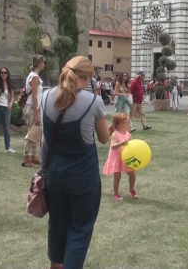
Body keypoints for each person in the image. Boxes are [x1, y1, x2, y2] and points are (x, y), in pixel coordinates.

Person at [40, 56, 109, 268]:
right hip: (83, 177)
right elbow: (104, 138)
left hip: (54, 175)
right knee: (80, 230)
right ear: (87, 77)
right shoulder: (93, 101)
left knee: (57, 226)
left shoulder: (44, 97)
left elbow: (45, 138)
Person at [103, 113, 137, 201]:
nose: (129, 123)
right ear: (121, 124)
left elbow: (130, 146)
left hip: (125, 158)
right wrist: (121, 143)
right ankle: (116, 193)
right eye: (127, 121)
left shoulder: (128, 134)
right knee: (117, 176)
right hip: (116, 157)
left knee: (132, 174)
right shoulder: (115, 134)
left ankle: (132, 189)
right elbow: (113, 146)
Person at [22, 55, 45, 167]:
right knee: (32, 133)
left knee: (34, 133)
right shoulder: (35, 77)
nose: (44, 64)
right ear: (39, 63)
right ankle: (26, 158)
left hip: (31, 106)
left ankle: (33, 157)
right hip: (32, 107)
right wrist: (36, 114)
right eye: (43, 62)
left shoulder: (31, 76)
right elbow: (35, 96)